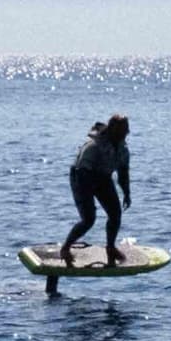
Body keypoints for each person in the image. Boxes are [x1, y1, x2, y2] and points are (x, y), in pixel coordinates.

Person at [61, 114, 132, 266]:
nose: (128, 133)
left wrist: (126, 193)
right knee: (88, 219)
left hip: (103, 178)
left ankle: (110, 247)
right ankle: (66, 248)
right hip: (82, 177)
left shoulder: (122, 150)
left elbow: (123, 173)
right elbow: (82, 170)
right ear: (114, 129)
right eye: (124, 130)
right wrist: (88, 196)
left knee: (115, 213)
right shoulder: (94, 146)